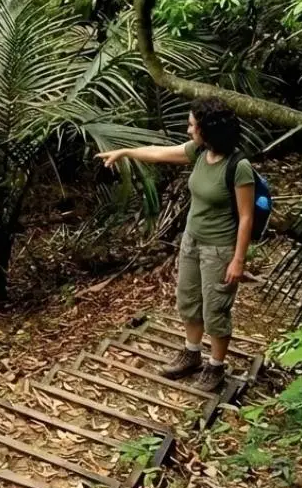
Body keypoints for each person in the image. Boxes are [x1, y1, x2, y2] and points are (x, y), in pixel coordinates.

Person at [96, 98, 254, 392]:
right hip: (192, 241)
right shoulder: (199, 152)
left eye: (193, 124)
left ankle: (216, 367)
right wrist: (127, 151)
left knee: (215, 309)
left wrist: (238, 260)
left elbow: (246, 217)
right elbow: (159, 154)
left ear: (208, 129)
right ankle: (191, 354)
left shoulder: (238, 166)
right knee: (188, 300)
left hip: (219, 248)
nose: (188, 129)